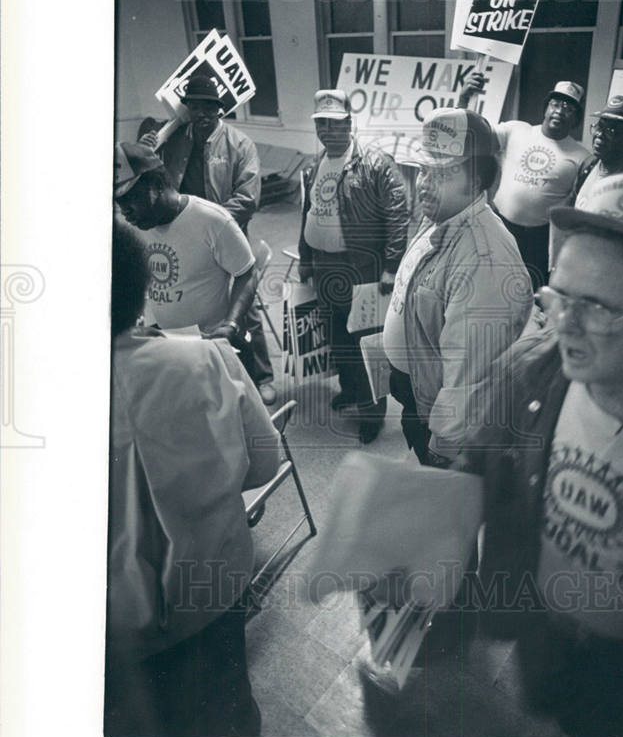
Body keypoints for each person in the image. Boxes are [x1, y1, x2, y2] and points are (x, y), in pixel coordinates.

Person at [469, 171, 623, 737]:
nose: (562, 324)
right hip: (543, 635)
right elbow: (471, 479)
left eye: (594, 309)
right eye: (558, 296)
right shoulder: (526, 378)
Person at [105, 221, 281, 737]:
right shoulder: (206, 359)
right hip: (213, 587)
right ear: (140, 288)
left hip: (120, 625)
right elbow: (263, 466)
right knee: (227, 709)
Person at [383, 106, 535, 469]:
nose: (423, 183)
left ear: (478, 179)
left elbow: (470, 378)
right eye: (423, 169)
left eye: (443, 172)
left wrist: (443, 450)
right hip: (419, 394)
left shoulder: (484, 260)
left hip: (443, 421)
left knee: (441, 507)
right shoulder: (442, 215)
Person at [138, 74, 276, 404]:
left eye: (208, 108)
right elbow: (151, 179)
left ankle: (263, 376)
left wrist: (209, 223)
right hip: (181, 236)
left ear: (219, 110)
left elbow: (248, 198)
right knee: (187, 299)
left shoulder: (239, 144)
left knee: (245, 307)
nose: (201, 114)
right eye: (194, 107)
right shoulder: (174, 140)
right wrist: (146, 145)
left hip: (226, 234)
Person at [298, 89, 409, 444]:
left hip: (361, 267)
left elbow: (398, 213)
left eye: (334, 123)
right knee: (337, 338)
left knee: (366, 344)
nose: (327, 130)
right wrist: (305, 257)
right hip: (324, 265)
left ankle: (372, 413)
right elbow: (309, 211)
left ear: (349, 123)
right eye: (321, 123)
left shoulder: (375, 162)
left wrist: (391, 264)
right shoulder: (316, 164)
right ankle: (350, 391)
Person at [114, 141, 261, 378]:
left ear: (158, 183)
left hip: (212, 344)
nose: (125, 211)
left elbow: (247, 272)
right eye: (119, 203)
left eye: (131, 197)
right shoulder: (134, 227)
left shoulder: (212, 221)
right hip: (166, 344)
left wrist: (230, 325)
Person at [458, 72, 588, 288]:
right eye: (555, 104)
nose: (559, 111)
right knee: (485, 287)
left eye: (568, 108)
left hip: (539, 240)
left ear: (576, 119)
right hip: (499, 226)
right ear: (546, 108)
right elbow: (472, 139)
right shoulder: (516, 130)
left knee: (527, 296)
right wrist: (464, 99)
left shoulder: (582, 157)